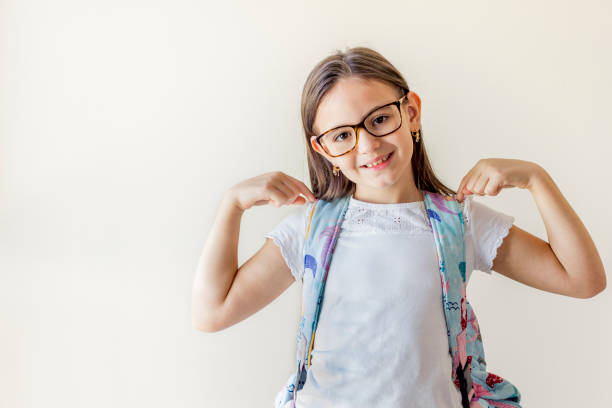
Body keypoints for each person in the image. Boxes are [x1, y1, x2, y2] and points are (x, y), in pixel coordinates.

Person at [191, 46, 606, 407]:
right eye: (341, 136)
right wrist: (231, 206)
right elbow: (212, 312)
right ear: (323, 150)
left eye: (378, 120)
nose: (368, 145)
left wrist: (536, 179)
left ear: (411, 113)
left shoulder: (460, 222)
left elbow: (583, 279)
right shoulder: (310, 228)